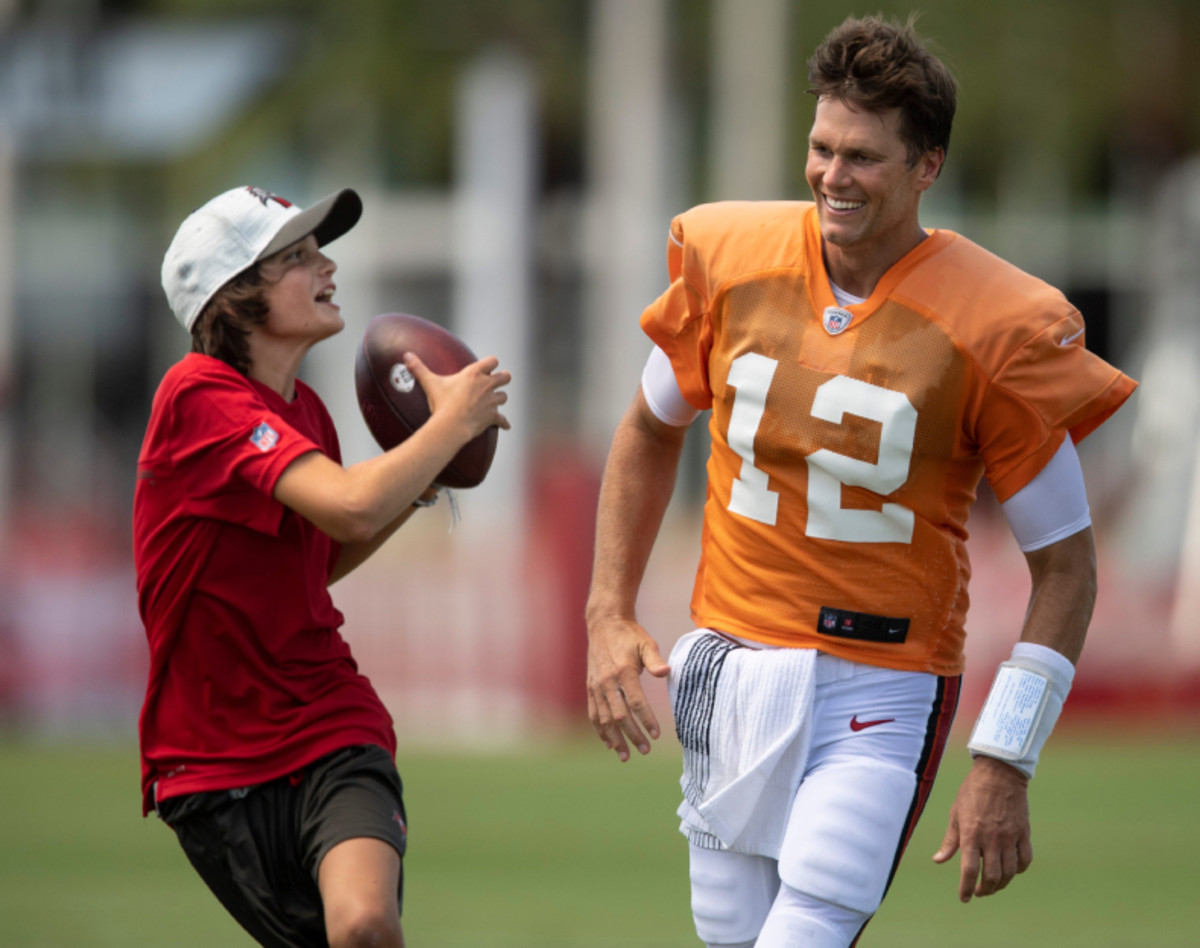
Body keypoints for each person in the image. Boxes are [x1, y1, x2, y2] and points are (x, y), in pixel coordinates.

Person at [585, 15, 1135, 948]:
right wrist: (607, 609)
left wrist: (1007, 755)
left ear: (928, 166)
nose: (833, 176)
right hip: (730, 660)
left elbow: (1069, 567)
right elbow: (647, 427)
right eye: (822, 148)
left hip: (880, 683)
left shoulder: (995, 320)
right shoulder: (732, 257)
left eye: (864, 158)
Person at [135, 184, 510, 948]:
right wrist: (447, 428)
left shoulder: (305, 411)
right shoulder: (195, 395)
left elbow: (324, 556)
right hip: (211, 760)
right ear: (234, 298)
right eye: (297, 258)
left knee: (366, 924)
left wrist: (425, 478)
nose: (328, 267)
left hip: (330, 720)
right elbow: (349, 506)